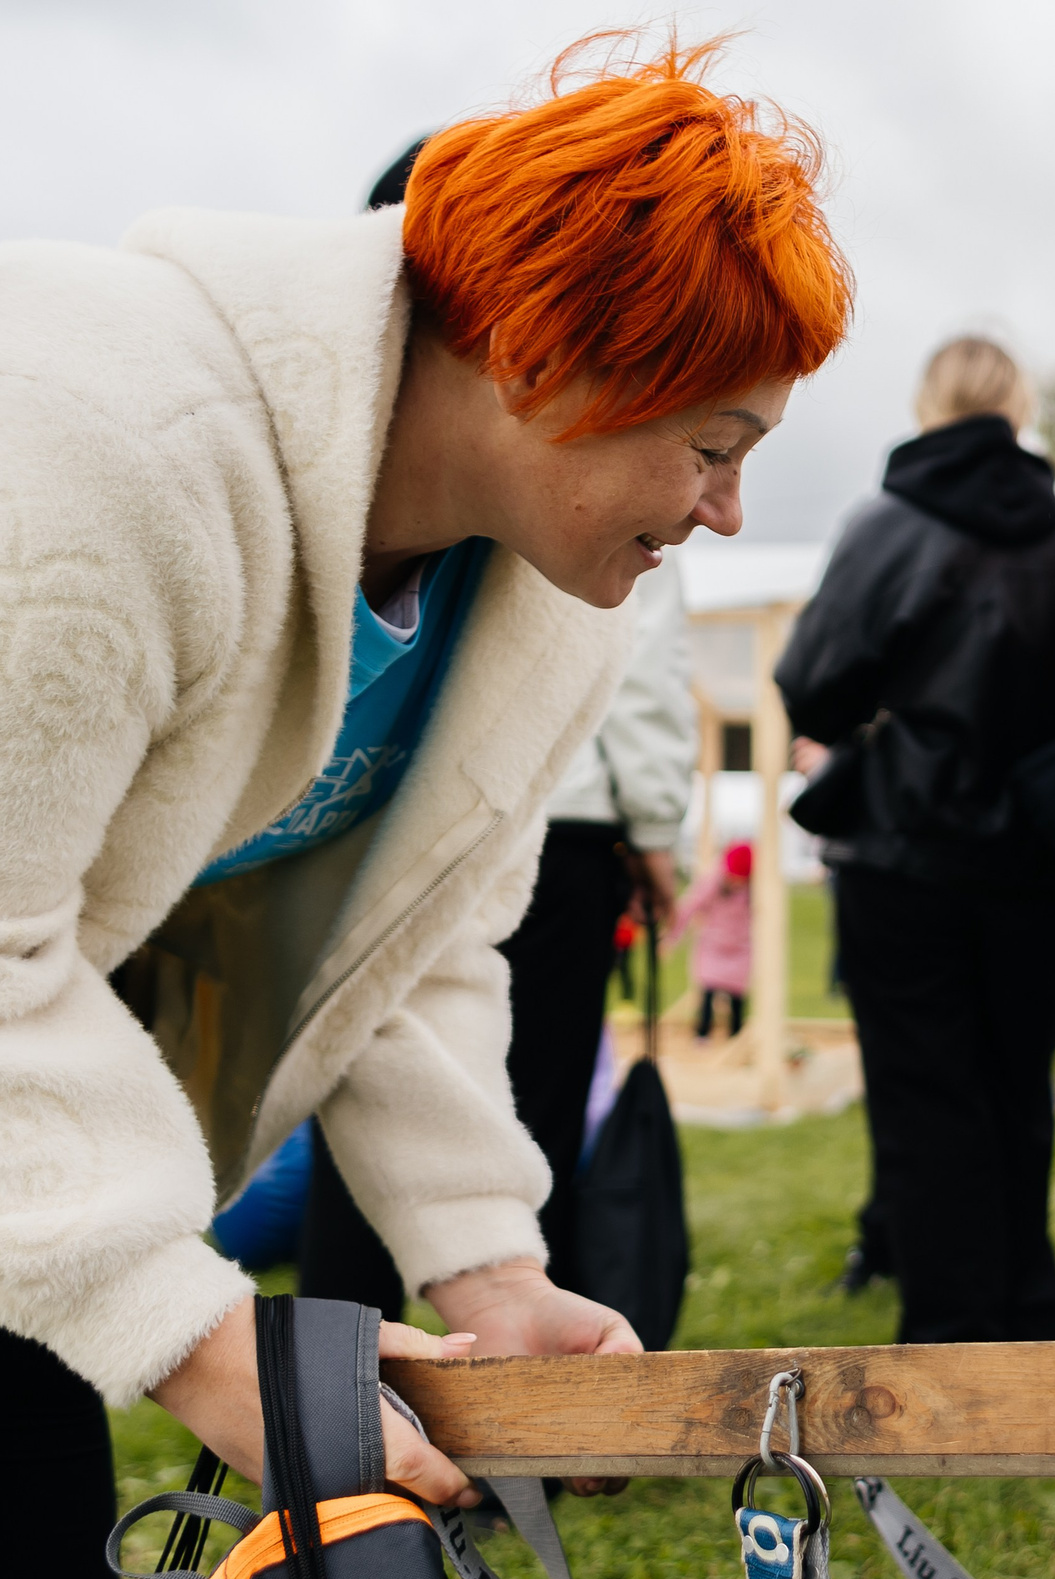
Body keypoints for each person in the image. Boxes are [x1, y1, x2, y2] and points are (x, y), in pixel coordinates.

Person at [0, 34, 850, 1579]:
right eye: (712, 443)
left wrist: (489, 1266)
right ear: (545, 363)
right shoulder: (91, 445)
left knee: (6, 1378)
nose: (728, 510)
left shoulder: (525, 592)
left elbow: (407, 941)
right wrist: (219, 1346)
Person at [298, 137, 701, 1320]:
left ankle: (497, 1336)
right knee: (490, 1072)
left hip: (524, 819)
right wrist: (656, 823)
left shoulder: (585, 508)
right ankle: (360, 1375)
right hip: (567, 822)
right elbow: (648, 661)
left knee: (432, 1069)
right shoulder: (600, 474)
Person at [776, 334, 1055, 1343]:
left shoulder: (885, 527)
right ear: (1018, 409)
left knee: (926, 1089)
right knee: (1015, 1082)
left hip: (902, 849)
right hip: (1031, 858)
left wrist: (889, 709)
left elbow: (811, 685)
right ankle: (1025, 1313)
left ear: (927, 405)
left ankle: (954, 1331)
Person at [679, 841, 756, 1039]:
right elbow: (690, 906)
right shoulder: (714, 881)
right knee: (708, 989)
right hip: (713, 942)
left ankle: (736, 1034)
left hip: (741, 946)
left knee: (737, 994)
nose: (737, 883)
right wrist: (673, 936)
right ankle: (703, 1032)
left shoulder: (754, 888)